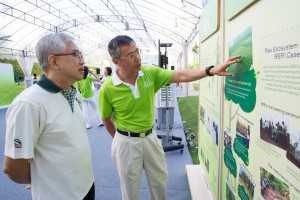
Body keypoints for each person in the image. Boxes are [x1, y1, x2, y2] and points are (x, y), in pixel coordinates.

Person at [99, 35, 241, 200]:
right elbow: (106, 118)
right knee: (129, 190)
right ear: (116, 61)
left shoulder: (150, 73)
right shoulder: (107, 88)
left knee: (159, 182)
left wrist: (210, 71)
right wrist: (119, 139)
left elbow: (180, 75)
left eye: (137, 51)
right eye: (130, 55)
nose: (137, 58)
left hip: (151, 137)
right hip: (126, 141)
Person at [3, 33, 95, 200]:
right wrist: (40, 179)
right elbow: (13, 167)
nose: (82, 61)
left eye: (81, 55)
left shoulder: (73, 93)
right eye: (75, 54)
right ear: (53, 61)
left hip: (86, 187)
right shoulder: (29, 103)